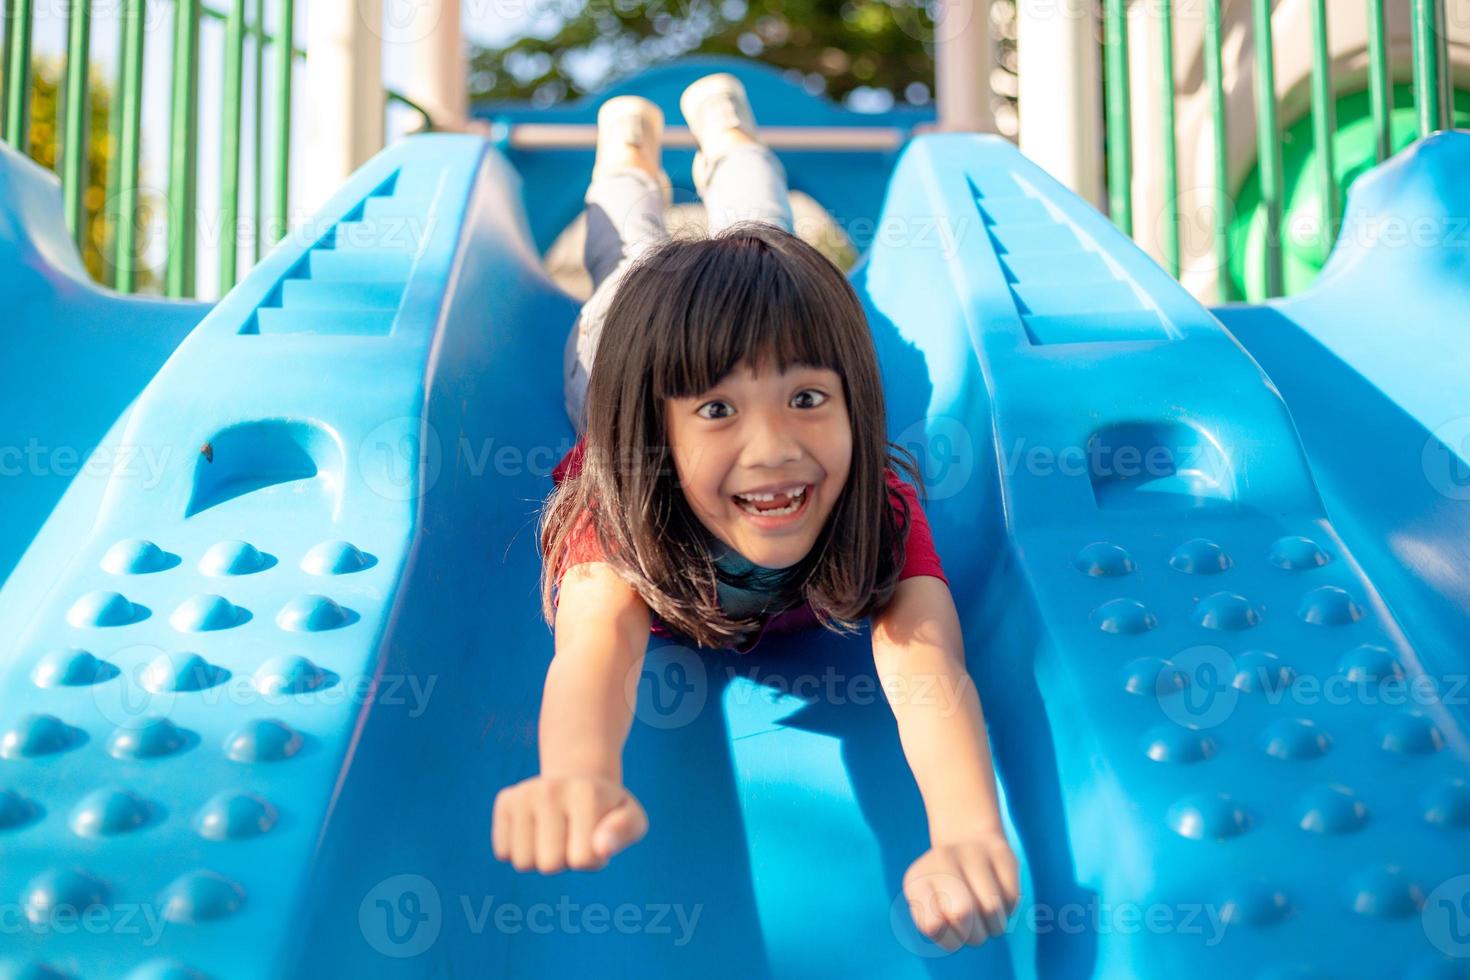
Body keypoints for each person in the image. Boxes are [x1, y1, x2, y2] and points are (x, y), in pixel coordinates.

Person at [493, 73, 1019, 952]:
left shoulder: (874, 501)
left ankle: (732, 145)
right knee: (623, 268)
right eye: (716, 411)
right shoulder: (618, 511)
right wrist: (578, 771)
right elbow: (599, 647)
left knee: (769, 245)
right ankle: (625, 158)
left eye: (809, 398)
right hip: (617, 353)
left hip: (726, 318)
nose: (774, 448)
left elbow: (929, 673)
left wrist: (966, 831)